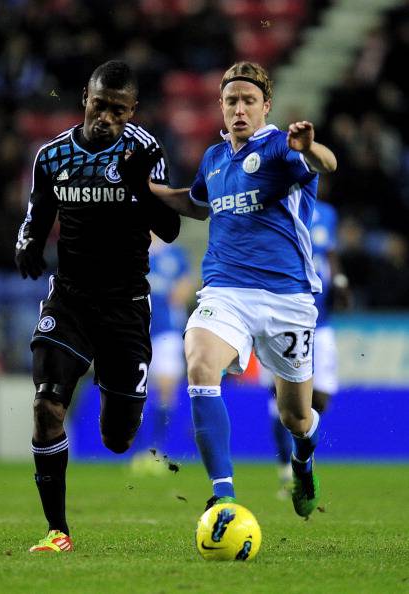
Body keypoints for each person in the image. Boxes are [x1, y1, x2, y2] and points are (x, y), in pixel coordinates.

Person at [150, 61, 337, 518]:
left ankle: (302, 460)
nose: (239, 109)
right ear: (220, 105)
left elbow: (327, 163)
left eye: (248, 101)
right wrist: (147, 190)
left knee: (297, 417)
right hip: (225, 292)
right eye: (231, 100)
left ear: (265, 105)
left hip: (287, 298)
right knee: (199, 364)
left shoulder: (282, 148)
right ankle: (224, 495)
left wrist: (310, 147)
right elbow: (197, 205)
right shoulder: (214, 158)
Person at [15, 60, 180, 553]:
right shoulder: (53, 155)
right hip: (70, 300)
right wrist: (28, 244)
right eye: (99, 105)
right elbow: (36, 217)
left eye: (118, 110)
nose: (106, 117)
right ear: (85, 98)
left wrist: (138, 185)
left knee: (117, 437)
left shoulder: (144, 150)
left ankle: (124, 403)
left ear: (132, 111)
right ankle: (58, 530)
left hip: (125, 306)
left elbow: (170, 229)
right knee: (47, 405)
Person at [265, 195, 351, 498]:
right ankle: (287, 472)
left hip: (321, 321)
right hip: (284, 318)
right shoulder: (273, 202)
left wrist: (340, 280)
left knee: (321, 396)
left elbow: (330, 252)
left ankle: (300, 456)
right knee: (280, 396)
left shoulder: (326, 212)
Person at [131, 234, 193, 470]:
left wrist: (182, 290)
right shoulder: (131, 249)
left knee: (166, 389)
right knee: (136, 392)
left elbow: (186, 284)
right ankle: (139, 451)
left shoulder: (174, 253)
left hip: (167, 330)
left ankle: (155, 449)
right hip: (136, 330)